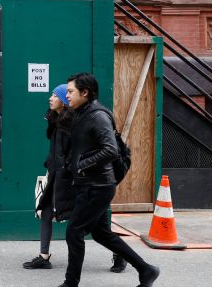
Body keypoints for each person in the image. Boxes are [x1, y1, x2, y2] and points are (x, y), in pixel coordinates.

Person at [57, 72, 159, 287]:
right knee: (101, 234)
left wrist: (83, 164)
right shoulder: (82, 113)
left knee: (74, 232)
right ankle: (146, 270)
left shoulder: (97, 116)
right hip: (93, 185)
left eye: (70, 92)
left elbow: (110, 150)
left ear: (85, 92)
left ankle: (70, 283)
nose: (67, 96)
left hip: (97, 186)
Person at [23, 84, 75, 269]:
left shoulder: (70, 124)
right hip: (55, 174)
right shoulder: (55, 120)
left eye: (55, 95)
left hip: (69, 179)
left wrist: (66, 171)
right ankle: (44, 257)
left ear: (64, 100)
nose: (50, 98)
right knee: (45, 211)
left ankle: (117, 252)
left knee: (86, 220)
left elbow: (72, 153)